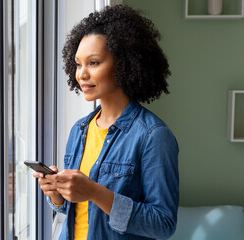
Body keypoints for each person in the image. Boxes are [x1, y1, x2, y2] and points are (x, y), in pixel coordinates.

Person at [33, 4, 179, 240]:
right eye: (78, 64)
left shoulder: (153, 135)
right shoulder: (79, 129)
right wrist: (57, 195)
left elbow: (163, 224)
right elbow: (79, 211)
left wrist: (94, 191)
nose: (81, 74)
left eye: (93, 62)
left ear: (124, 64)